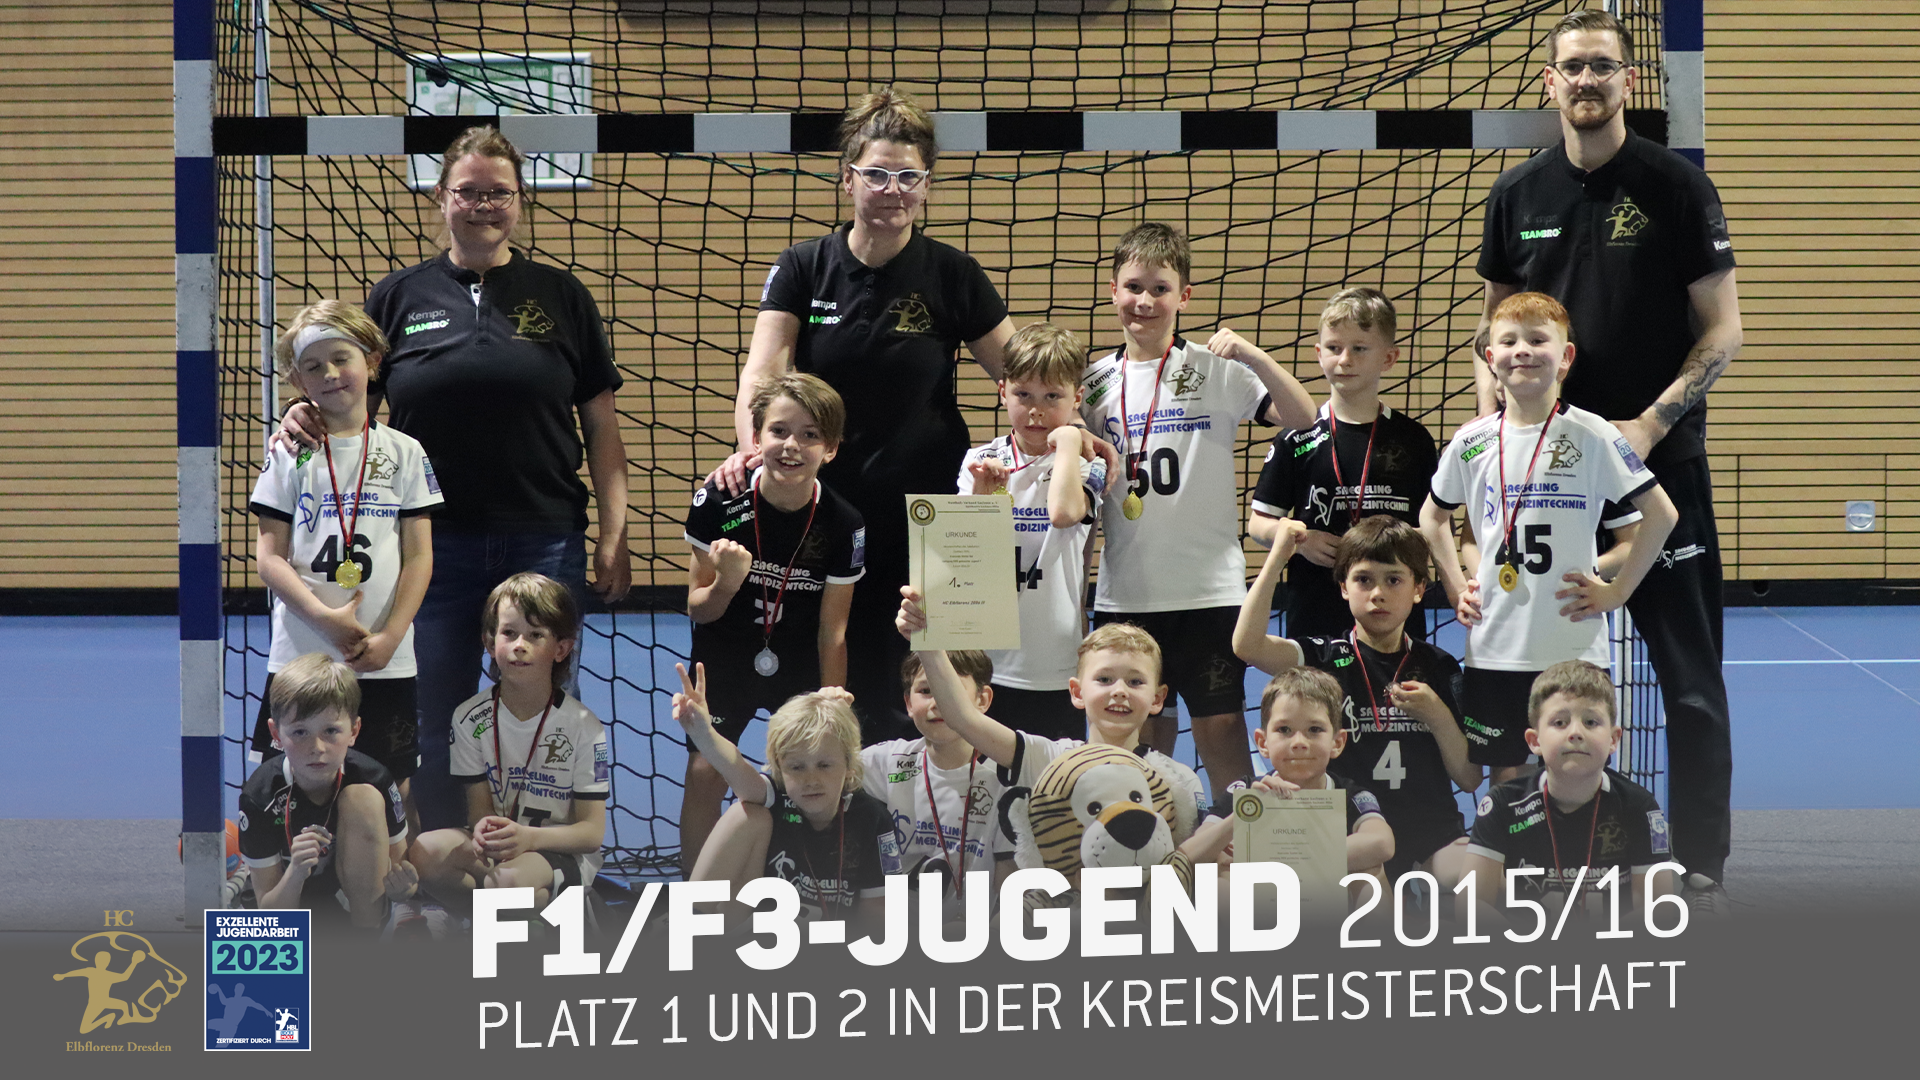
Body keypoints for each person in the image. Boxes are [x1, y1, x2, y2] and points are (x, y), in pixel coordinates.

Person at [279, 125, 630, 832]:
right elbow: (346, 393)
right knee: (435, 717)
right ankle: (443, 859)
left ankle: (545, 856)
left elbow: (602, 428)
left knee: (539, 713)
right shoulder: (398, 296)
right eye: (468, 192)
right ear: (441, 196)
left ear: (520, 200)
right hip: (430, 549)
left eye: (499, 193)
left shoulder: (562, 295)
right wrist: (300, 409)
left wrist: (614, 536)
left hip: (543, 538)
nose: (484, 206)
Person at [1474, 8, 1742, 906]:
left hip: (1659, 468)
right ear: (1549, 82)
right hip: (1545, 484)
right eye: (1573, 68)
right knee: (1525, 673)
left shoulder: (1677, 187)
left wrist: (1648, 429)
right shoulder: (1517, 194)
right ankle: (1529, 849)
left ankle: (1699, 858)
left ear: (1628, 79)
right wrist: (1494, 452)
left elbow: (1724, 330)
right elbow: (1494, 334)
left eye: (1602, 66)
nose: (1587, 81)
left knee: (1688, 679)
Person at [707, 87, 1017, 740]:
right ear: (848, 179)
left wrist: (1070, 431)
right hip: (827, 513)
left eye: (908, 177)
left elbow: (1022, 375)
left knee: (932, 678)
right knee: (824, 672)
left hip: (928, 515)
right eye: (876, 174)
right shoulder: (804, 266)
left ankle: (934, 799)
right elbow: (762, 373)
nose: (892, 190)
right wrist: (753, 450)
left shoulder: (954, 274)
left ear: (926, 186)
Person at [1079, 222, 1316, 804]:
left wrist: (1253, 355)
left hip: (1209, 594)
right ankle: (1154, 850)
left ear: (1183, 296)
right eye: (1133, 287)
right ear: (1112, 291)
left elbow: (1304, 418)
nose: (1145, 301)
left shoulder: (1216, 369)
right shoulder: (1093, 384)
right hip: (1128, 595)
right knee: (1138, 750)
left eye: (1160, 289)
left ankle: (1234, 848)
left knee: (1222, 736)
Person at [1421, 292, 1678, 789]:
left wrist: (1616, 591)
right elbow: (1431, 518)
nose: (1523, 350)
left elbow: (1662, 515)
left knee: (1576, 768)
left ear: (1565, 357)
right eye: (1509, 341)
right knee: (1507, 776)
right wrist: (1455, 586)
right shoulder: (1471, 442)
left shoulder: (1593, 435)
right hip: (1496, 644)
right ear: (1490, 357)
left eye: (1538, 340)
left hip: (1574, 646)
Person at [248, 301, 440, 832]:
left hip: (383, 656)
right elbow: (269, 557)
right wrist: (324, 619)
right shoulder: (290, 453)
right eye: (314, 366)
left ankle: (394, 877)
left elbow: (420, 555)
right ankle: (279, 871)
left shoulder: (405, 452)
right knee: (287, 777)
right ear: (296, 379)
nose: (330, 374)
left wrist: (391, 636)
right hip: (303, 653)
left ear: (372, 360)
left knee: (393, 782)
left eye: (342, 359)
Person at [679, 373, 864, 872]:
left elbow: (833, 631)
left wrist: (832, 702)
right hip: (726, 656)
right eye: (779, 431)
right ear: (756, 438)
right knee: (704, 771)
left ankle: (804, 878)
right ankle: (695, 893)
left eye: (810, 435)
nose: (791, 445)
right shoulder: (719, 502)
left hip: (799, 659)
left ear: (830, 449)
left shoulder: (844, 523)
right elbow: (698, 608)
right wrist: (726, 583)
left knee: (809, 775)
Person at [1233, 516, 1479, 887]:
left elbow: (1469, 778)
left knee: (1477, 879)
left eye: (1393, 580)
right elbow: (1247, 646)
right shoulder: (1323, 657)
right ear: (1344, 587)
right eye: (1363, 579)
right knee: (1363, 893)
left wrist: (1437, 715)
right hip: (1348, 829)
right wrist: (1278, 557)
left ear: (1418, 588)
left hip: (1432, 830)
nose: (1377, 593)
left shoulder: (1439, 666)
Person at [675, 651, 1010, 916]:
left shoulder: (1008, 778)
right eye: (926, 690)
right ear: (908, 702)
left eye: (951, 690)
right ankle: (687, 923)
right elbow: (765, 780)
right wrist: (823, 725)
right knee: (747, 813)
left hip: (962, 927)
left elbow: (1011, 877)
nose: (939, 702)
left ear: (982, 699)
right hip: (891, 925)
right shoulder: (885, 762)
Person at [897, 595, 1208, 858]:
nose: (1119, 691)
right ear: (1077, 692)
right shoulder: (1048, 758)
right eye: (1104, 679)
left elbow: (1188, 864)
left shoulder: (1180, 780)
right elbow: (964, 718)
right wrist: (928, 642)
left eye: (1135, 681)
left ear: (1158, 698)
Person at [1236, 288, 1438, 641]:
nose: (1345, 360)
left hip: (1394, 611)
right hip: (1315, 608)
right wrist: (1301, 541)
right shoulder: (1296, 437)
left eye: (1359, 348)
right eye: (1334, 348)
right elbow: (1259, 522)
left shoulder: (1414, 439)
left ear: (1389, 358)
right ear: (1319, 354)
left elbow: (1434, 525)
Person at [409, 574, 610, 912]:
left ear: (561, 649)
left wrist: (529, 838)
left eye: (535, 635)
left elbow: (591, 834)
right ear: (490, 643)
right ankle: (516, 913)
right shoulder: (470, 718)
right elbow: (479, 811)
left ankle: (564, 908)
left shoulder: (583, 726)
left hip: (558, 850)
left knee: (506, 883)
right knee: (425, 853)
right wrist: (487, 832)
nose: (520, 645)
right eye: (509, 633)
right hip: (503, 849)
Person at [957, 322, 1106, 738]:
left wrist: (1071, 440)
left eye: (1052, 397)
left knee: (1054, 775)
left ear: (1076, 398)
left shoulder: (1088, 463)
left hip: (1055, 662)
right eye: (1023, 395)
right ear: (1002, 391)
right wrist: (984, 495)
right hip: (988, 660)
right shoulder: (978, 461)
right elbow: (964, 553)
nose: (1036, 410)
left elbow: (1063, 513)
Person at [1463, 661, 1676, 924]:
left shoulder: (1639, 806)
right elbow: (1470, 905)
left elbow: (1660, 909)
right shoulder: (1502, 804)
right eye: (1560, 722)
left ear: (1613, 739)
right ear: (1534, 741)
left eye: (1591, 722)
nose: (1575, 733)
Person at [688, 689, 900, 927]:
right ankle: (687, 920)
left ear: (849, 765)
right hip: (759, 933)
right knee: (746, 815)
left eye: (824, 765)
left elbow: (878, 910)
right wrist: (704, 736)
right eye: (797, 767)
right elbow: (739, 774)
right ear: (779, 768)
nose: (811, 780)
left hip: (835, 942)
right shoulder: (777, 798)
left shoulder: (872, 820)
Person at [236, 654, 410, 930]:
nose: (317, 747)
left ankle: (366, 944)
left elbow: (401, 879)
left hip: (348, 905)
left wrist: (404, 891)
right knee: (234, 950)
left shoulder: (375, 779)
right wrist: (296, 871)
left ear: (354, 731)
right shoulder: (260, 796)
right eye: (300, 732)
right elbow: (270, 913)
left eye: (330, 730)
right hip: (283, 909)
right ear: (276, 734)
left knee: (363, 800)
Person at [1232, 666, 1395, 900]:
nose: (1299, 742)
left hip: (1325, 905)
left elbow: (1382, 843)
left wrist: (1290, 858)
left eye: (1314, 729)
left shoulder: (1348, 794)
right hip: (1262, 906)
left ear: (1337, 742)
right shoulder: (1247, 791)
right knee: (1220, 872)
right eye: (1284, 729)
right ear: (1262, 742)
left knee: (1371, 871)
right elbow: (1198, 847)